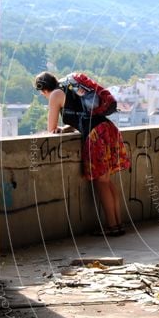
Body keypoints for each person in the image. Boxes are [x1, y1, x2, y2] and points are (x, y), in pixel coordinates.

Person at [34, 71, 131, 237]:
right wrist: (68, 128)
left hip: (95, 135)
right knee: (107, 182)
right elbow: (81, 116)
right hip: (107, 129)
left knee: (101, 183)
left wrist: (58, 128)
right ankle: (118, 224)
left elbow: (51, 128)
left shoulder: (55, 95)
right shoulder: (70, 88)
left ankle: (112, 226)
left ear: (43, 90)